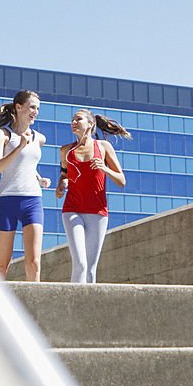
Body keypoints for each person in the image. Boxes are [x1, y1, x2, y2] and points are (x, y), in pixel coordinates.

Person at [56, 108, 130, 283]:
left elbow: (122, 181)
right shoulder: (66, 150)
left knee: (90, 268)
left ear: (90, 124)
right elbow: (64, 175)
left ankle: (86, 307)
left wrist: (104, 169)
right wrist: (61, 185)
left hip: (97, 211)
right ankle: (72, 304)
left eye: (78, 119)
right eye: (72, 120)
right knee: (80, 263)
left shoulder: (103, 147)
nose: (73, 122)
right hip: (72, 209)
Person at [0, 90, 50, 281]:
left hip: (32, 200)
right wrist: (19, 147)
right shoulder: (3, 134)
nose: (36, 112)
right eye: (32, 107)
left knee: (34, 262)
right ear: (18, 107)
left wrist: (39, 178)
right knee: (1, 265)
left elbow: (27, 165)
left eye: (38, 108)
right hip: (7, 201)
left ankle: (36, 309)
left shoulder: (40, 138)